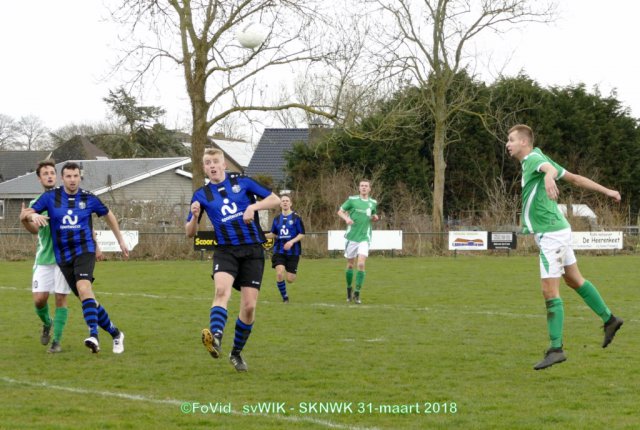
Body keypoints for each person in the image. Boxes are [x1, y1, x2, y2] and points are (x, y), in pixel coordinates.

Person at [506, 124, 624, 370]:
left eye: (511, 139)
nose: (508, 144)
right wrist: (608, 191)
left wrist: (549, 176)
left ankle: (556, 349)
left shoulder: (533, 159)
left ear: (524, 142)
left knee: (549, 291)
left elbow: (547, 169)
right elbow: (576, 179)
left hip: (552, 234)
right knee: (574, 280)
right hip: (557, 230)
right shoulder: (537, 157)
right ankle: (610, 320)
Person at [185, 148, 280, 372]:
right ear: (204, 168)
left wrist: (253, 206)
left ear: (224, 164)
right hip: (225, 250)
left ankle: (236, 353)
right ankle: (216, 337)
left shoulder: (242, 182)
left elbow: (275, 199)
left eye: (215, 161)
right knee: (221, 291)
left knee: (249, 307)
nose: (212, 165)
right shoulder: (201, 195)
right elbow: (189, 232)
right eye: (207, 163)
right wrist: (195, 217)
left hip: (252, 250)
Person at [24, 162, 128, 354]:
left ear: (80, 177)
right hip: (63, 257)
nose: (72, 180)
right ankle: (115, 333)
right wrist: (31, 217)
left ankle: (93, 336)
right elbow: (28, 213)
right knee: (87, 298)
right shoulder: (50, 197)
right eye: (69, 176)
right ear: (63, 178)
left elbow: (108, 215)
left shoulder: (88, 198)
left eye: (76, 176)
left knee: (83, 288)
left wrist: (120, 240)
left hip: (84, 251)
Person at [19, 160, 72, 353]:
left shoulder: (67, 199)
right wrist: (26, 219)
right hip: (44, 259)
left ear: (56, 176)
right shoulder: (36, 204)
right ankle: (47, 323)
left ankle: (56, 341)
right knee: (39, 300)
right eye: (45, 173)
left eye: (52, 173)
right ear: (39, 178)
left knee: (60, 298)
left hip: (64, 259)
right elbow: (34, 229)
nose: (49, 176)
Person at [337, 180, 379, 304]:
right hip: (352, 237)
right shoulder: (352, 200)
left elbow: (373, 215)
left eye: (366, 186)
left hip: (365, 237)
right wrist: (346, 218)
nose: (364, 188)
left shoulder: (373, 203)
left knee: (360, 264)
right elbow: (340, 211)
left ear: (370, 189)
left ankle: (357, 293)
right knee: (350, 265)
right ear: (359, 188)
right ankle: (349, 289)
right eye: (362, 186)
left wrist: (375, 218)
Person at [265, 194, 306, 302]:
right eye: (283, 201)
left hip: (293, 252)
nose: (285, 202)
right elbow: (273, 234)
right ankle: (285, 298)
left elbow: (302, 234)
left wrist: (291, 242)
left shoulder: (296, 218)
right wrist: (261, 236)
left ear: (290, 203)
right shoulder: (277, 219)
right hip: (279, 250)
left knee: (290, 279)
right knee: (279, 273)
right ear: (280, 204)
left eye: (287, 200)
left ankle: (290, 272)